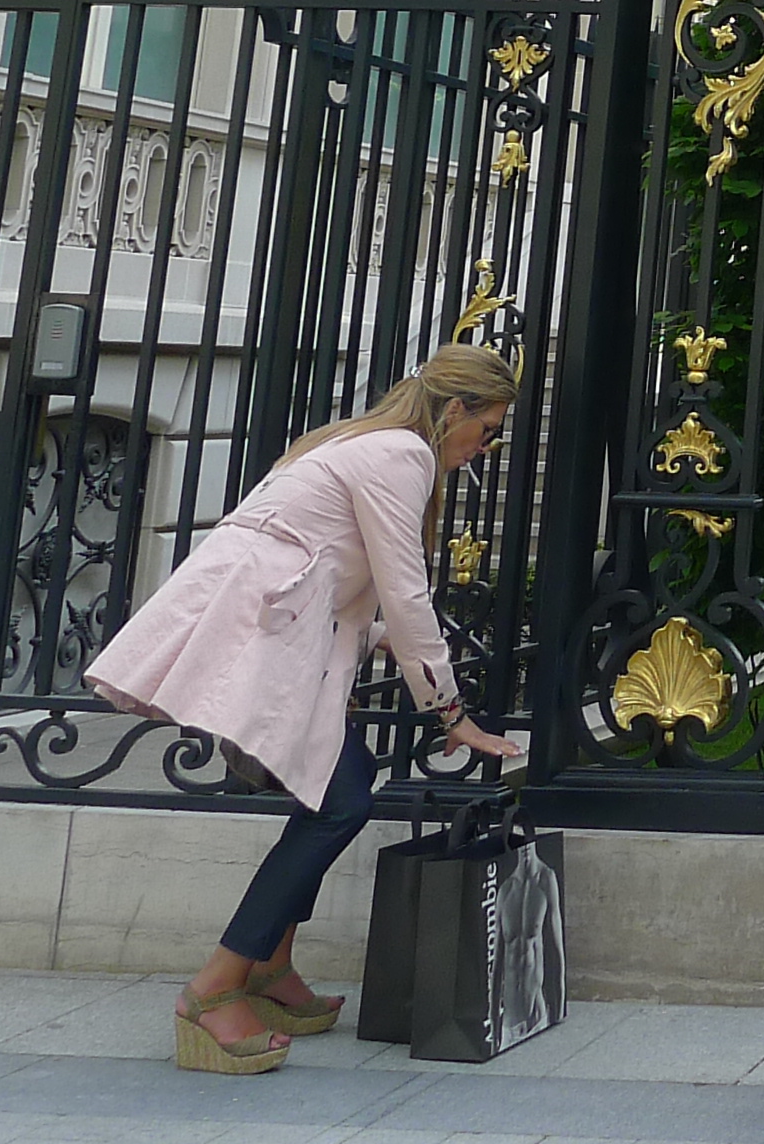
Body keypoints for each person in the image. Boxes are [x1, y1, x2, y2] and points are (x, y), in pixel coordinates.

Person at [87, 343, 525, 1076]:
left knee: (335, 792)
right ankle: (215, 988)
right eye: (487, 431)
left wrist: (384, 642)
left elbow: (332, 564)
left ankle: (269, 967)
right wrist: (451, 714)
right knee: (340, 802)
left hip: (268, 619)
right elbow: (404, 590)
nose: (484, 449)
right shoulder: (401, 455)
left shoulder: (358, 439)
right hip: (267, 627)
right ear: (455, 410)